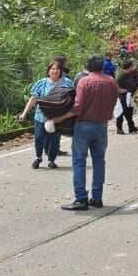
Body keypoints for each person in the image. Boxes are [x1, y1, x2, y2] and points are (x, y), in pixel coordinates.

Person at [53, 56, 119, 211]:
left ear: (87, 67)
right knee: (99, 161)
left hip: (84, 126)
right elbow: (114, 101)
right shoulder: (111, 81)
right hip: (102, 126)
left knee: (79, 161)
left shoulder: (84, 81)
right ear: (102, 67)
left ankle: (81, 198)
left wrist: (60, 118)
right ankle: (97, 198)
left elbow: (77, 107)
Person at [20, 60, 74, 168]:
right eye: (52, 69)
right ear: (48, 71)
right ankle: (38, 158)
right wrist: (24, 113)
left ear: (61, 71)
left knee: (54, 139)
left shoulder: (67, 83)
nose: (55, 71)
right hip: (41, 116)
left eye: (57, 69)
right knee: (39, 137)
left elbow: (72, 99)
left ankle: (51, 160)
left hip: (58, 118)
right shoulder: (42, 83)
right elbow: (33, 99)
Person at [115, 60, 138, 135]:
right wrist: (121, 90)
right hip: (123, 96)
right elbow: (115, 85)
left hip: (129, 96)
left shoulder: (130, 74)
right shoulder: (122, 75)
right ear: (129, 67)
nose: (134, 67)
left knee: (129, 112)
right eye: (133, 65)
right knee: (121, 112)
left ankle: (131, 127)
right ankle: (119, 129)